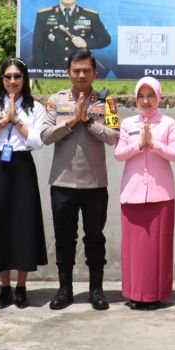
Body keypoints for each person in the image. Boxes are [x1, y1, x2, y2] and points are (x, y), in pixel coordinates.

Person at [40, 49, 119, 311]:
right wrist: (72, 121)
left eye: (87, 70)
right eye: (76, 70)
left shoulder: (108, 101)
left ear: (95, 72)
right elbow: (45, 135)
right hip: (62, 183)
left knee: (95, 238)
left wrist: (89, 122)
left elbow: (114, 137)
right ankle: (65, 290)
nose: (82, 74)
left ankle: (96, 290)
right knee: (64, 239)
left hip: (95, 184)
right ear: (68, 72)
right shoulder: (55, 101)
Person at [0, 58, 48, 309]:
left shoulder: (35, 107)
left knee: (23, 225)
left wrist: (17, 120)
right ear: (1, 79)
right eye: (7, 76)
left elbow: (37, 142)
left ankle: (21, 287)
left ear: (25, 79)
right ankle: (4, 288)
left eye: (17, 77)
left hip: (22, 167)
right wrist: (2, 121)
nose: (12, 81)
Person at [114, 77, 175, 310]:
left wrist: (154, 144)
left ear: (158, 97)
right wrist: (139, 145)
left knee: (157, 248)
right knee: (134, 249)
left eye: (150, 95)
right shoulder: (128, 124)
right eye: (141, 96)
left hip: (160, 193)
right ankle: (135, 293)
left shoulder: (168, 123)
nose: (145, 101)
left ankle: (155, 294)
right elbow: (119, 153)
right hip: (132, 193)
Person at [32, 0, 111, 70]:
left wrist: (86, 43)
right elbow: (37, 49)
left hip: (80, 69)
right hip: (53, 69)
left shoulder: (90, 16)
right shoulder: (44, 15)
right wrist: (41, 72)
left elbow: (105, 40)